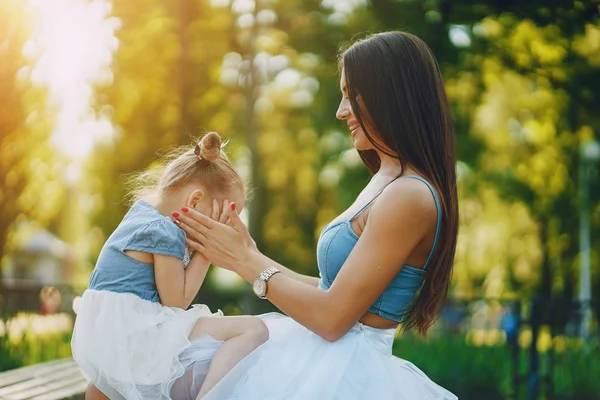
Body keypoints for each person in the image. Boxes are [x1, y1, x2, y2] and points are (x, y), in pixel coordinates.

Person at [173, 31, 459, 399]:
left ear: (388, 93)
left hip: (345, 373)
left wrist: (247, 264)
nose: (341, 111)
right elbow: (332, 290)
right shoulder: (387, 178)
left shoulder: (410, 195)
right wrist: (250, 255)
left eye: (350, 95)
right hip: (323, 358)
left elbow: (332, 318)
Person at [71, 132, 268, 400]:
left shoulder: (141, 215)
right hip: (136, 338)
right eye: (222, 217)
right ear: (195, 201)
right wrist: (207, 249)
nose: (224, 227)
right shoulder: (163, 230)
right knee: (254, 329)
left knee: (101, 389)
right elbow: (176, 302)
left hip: (110, 340)